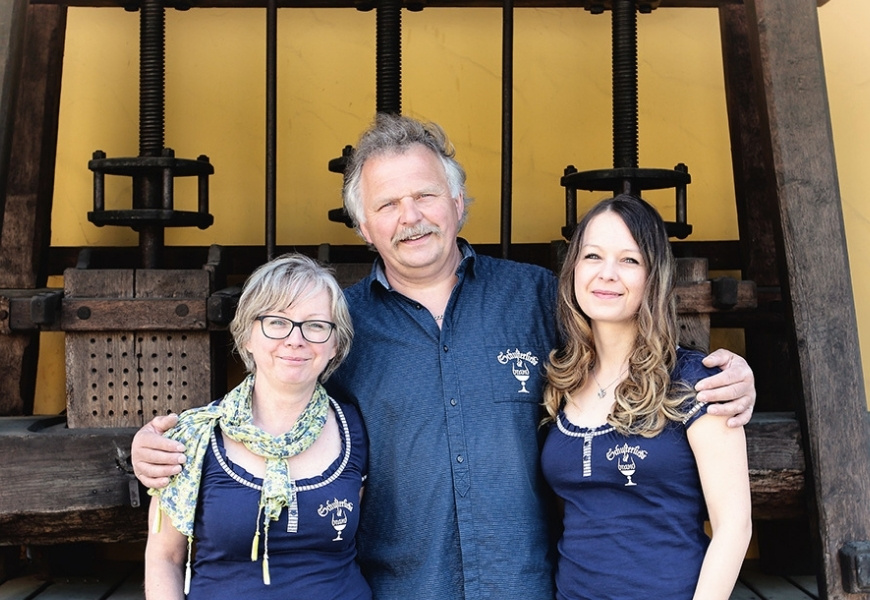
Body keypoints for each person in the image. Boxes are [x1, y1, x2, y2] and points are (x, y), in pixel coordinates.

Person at [133, 114, 757, 600]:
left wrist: (730, 372)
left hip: (532, 587)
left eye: (427, 196)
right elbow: (269, 393)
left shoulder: (538, 297)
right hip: (398, 588)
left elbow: (627, 342)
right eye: (386, 205)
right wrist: (161, 447)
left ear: (459, 204)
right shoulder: (337, 325)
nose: (411, 217)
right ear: (363, 227)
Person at [540, 194, 752, 600]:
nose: (606, 274)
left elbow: (734, 525)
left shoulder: (697, 381)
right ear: (572, 270)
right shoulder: (561, 380)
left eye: (629, 260)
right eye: (592, 257)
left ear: (654, 276)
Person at [144, 253, 370, 600]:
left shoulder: (356, 429)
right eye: (277, 322)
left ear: (335, 344)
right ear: (247, 334)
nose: (296, 339)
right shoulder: (195, 435)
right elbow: (165, 557)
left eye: (315, 325)